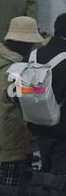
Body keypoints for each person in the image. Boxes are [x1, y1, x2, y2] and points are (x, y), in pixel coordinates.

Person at [0, 16, 43, 186]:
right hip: (14, 132)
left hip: (2, 127)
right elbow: (24, 95)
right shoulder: (14, 68)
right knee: (12, 183)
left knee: (8, 174)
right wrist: (41, 89)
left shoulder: (0, 59)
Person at [25, 12, 66, 173]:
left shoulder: (35, 54)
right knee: (59, 174)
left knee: (46, 163)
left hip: (37, 122)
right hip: (61, 126)